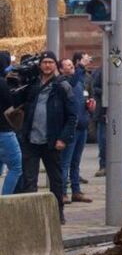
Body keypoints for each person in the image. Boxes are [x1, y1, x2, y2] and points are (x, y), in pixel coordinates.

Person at [19, 51, 77, 224]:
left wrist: (63, 138)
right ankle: (31, 216)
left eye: (51, 62)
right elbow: (17, 102)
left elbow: (72, 116)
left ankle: (57, 213)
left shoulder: (62, 86)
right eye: (44, 62)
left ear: (56, 65)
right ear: (40, 65)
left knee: (56, 180)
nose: (47, 65)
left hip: (52, 141)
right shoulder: (32, 85)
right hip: (31, 139)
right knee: (29, 179)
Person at [59, 57, 93, 204]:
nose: (71, 67)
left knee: (76, 162)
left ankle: (76, 191)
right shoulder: (63, 82)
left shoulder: (79, 81)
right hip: (70, 128)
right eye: (67, 65)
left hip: (82, 126)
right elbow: (71, 85)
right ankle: (62, 192)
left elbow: (82, 97)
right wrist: (81, 66)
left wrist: (89, 106)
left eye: (72, 65)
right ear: (60, 69)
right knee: (65, 162)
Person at [0, 51, 22, 196]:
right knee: (16, 167)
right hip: (4, 130)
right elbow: (10, 106)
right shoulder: (2, 83)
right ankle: (5, 202)